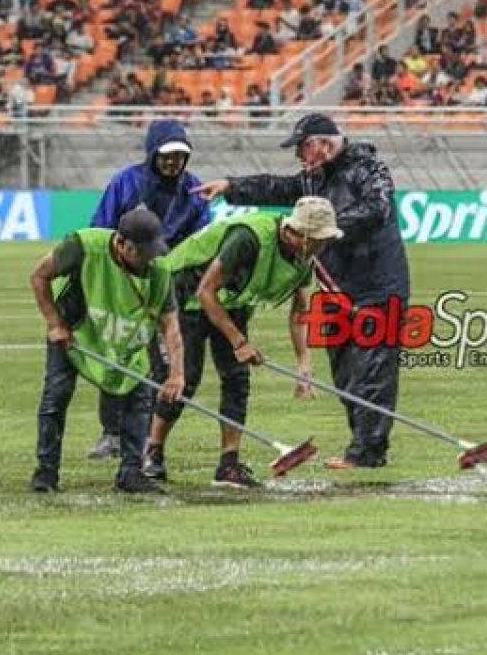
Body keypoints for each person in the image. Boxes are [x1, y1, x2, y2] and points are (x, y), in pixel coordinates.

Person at [195, 114, 409, 469]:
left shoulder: (369, 169)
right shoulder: (314, 178)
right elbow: (278, 188)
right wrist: (231, 186)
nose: (299, 156)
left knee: (374, 370)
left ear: (321, 143)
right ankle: (364, 443)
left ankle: (367, 452)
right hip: (338, 289)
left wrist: (328, 224)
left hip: (378, 287)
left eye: (301, 147)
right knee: (344, 373)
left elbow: (377, 208)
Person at [143, 197, 341, 488]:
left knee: (237, 378)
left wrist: (303, 363)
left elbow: (300, 310)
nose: (323, 246)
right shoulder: (248, 239)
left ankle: (229, 464)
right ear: (298, 234)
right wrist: (238, 342)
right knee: (184, 377)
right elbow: (205, 291)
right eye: (319, 239)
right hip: (181, 295)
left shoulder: (303, 261)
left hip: (229, 303)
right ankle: (151, 452)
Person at [28, 207, 185, 494]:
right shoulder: (84, 247)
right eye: (143, 252)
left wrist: (177, 374)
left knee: (139, 401)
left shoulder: (160, 270)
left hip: (125, 341)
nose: (150, 259)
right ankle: (45, 473)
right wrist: (54, 323)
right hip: (75, 335)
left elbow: (170, 325)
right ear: (122, 243)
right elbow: (39, 276)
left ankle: (131, 473)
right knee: (56, 397)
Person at [86, 119, 211, 460]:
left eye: (180, 156)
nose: (173, 162)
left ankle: (143, 435)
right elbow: (100, 230)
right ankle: (111, 432)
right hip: (122, 281)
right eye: (167, 155)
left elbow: (204, 239)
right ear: (153, 152)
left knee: (161, 360)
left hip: (171, 285)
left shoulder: (194, 189)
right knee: (118, 356)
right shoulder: (126, 182)